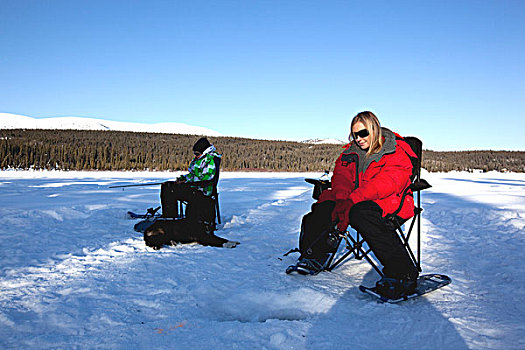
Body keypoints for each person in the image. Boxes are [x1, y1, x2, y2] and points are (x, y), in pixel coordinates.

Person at [296, 111, 418, 299]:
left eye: (363, 133)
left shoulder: (394, 151)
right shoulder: (349, 153)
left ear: (374, 130)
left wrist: (355, 198)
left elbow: (389, 182)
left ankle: (403, 273)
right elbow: (341, 178)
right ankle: (314, 256)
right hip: (355, 200)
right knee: (325, 206)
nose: (359, 139)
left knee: (362, 214)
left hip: (390, 201)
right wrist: (344, 198)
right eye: (355, 135)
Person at [160, 137, 220, 226]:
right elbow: (192, 175)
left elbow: (206, 178)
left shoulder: (210, 160)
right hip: (193, 187)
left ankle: (171, 220)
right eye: (194, 153)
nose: (195, 155)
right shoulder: (199, 159)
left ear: (204, 151)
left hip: (203, 191)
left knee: (172, 190)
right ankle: (169, 216)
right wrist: (181, 179)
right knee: (167, 186)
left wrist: (186, 182)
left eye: (197, 153)